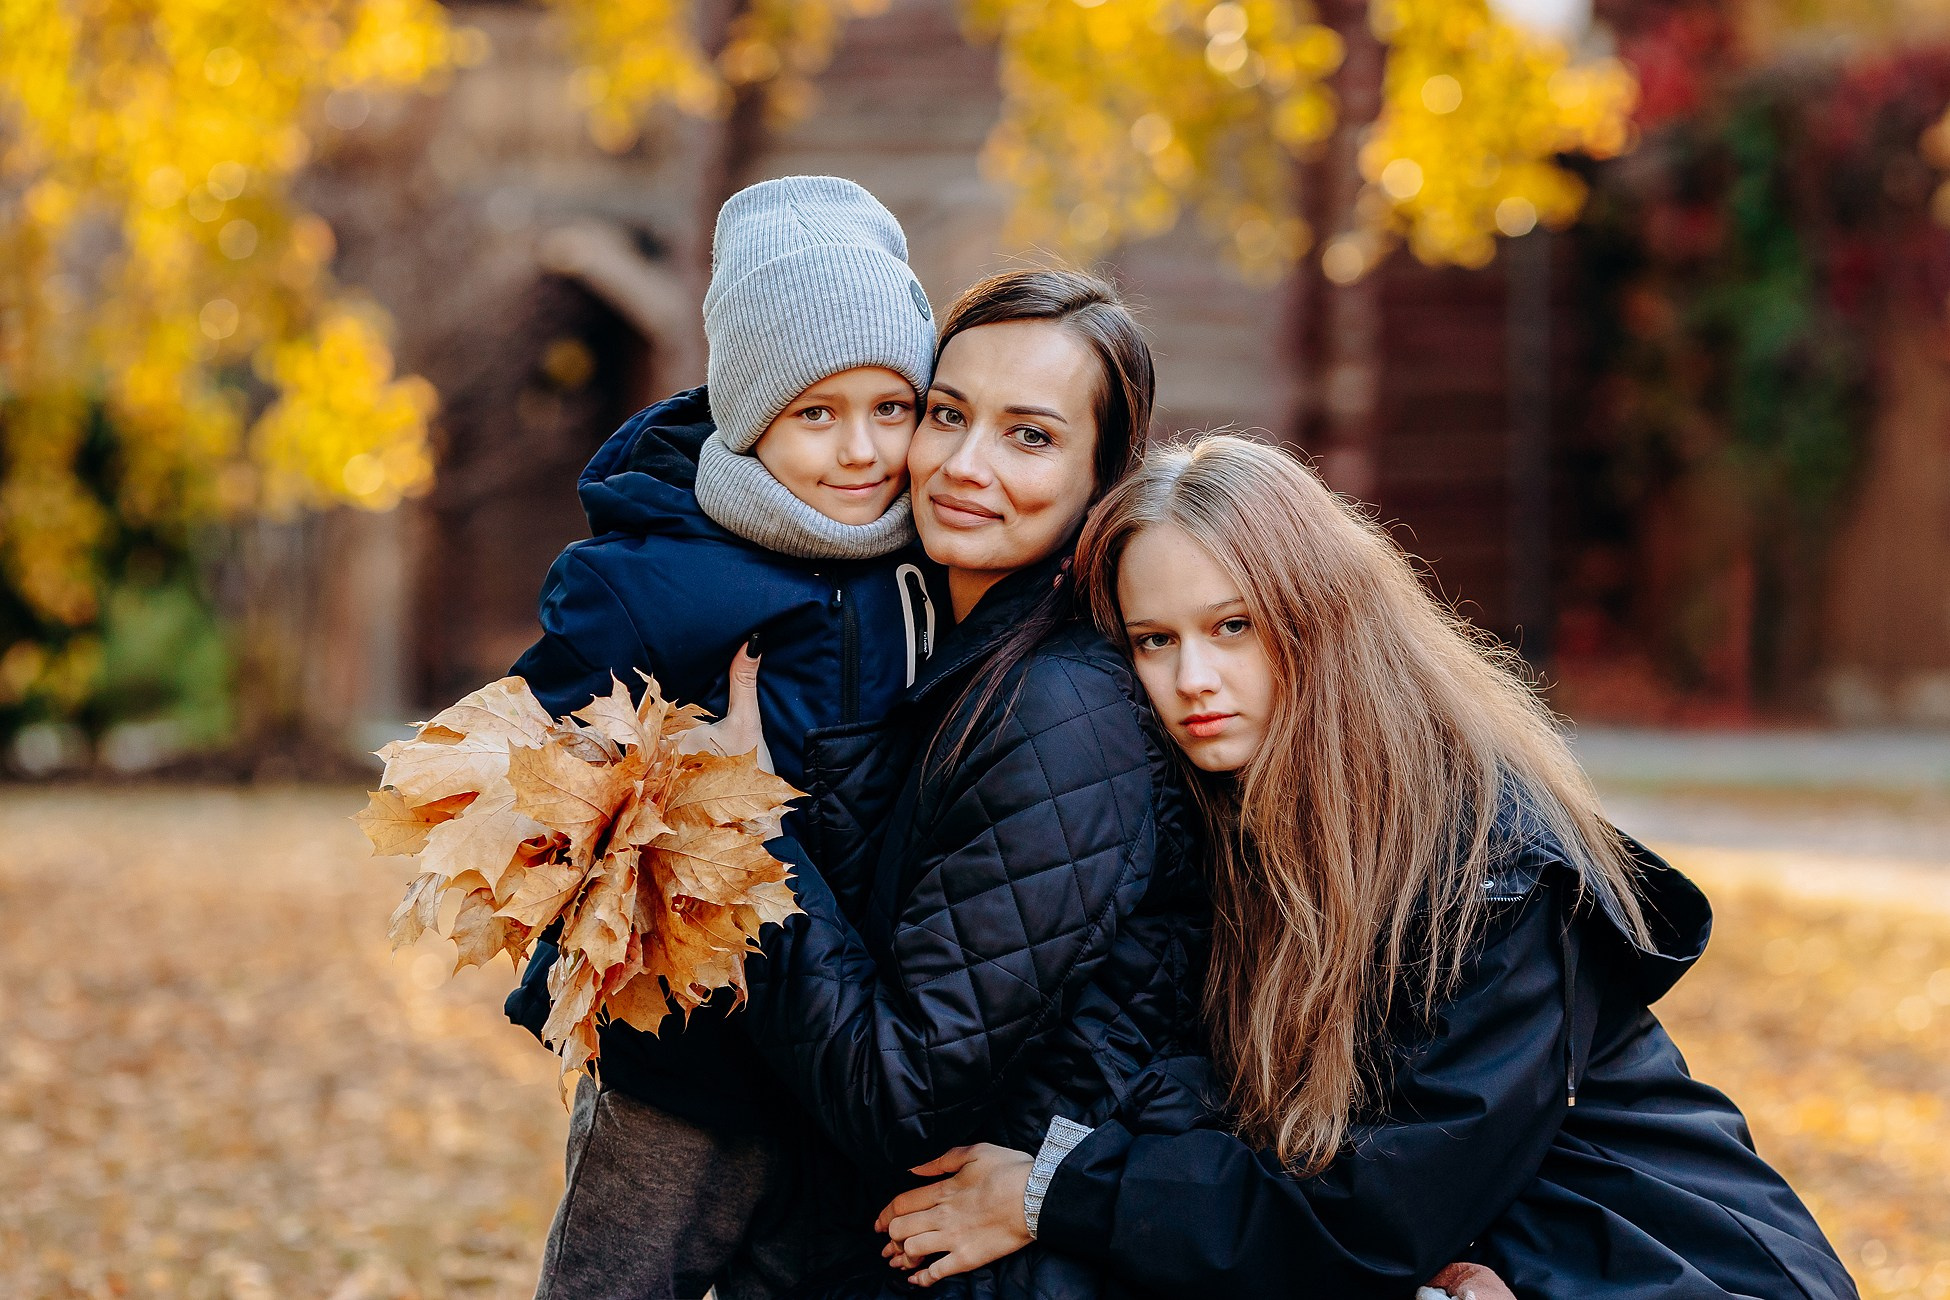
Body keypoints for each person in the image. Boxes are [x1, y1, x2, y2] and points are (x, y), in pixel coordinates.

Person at [873, 434, 1858, 1300]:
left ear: (1318, 618)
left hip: (1679, 1268)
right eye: (1153, 641)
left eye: (1233, 626)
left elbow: (1371, 1214)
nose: (1193, 679)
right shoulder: (1221, 828)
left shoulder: (1487, 865)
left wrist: (1055, 1191)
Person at [502, 175, 946, 1300]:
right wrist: (630, 792)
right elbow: (536, 753)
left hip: (842, 1042)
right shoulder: (658, 575)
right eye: (816, 413)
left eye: (890, 408)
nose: (860, 450)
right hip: (683, 1051)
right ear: (751, 415)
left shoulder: (934, 566)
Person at [730, 268, 1212, 1300]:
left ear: (1103, 474)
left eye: (1030, 435)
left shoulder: (1064, 711)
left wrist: (741, 832)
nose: (963, 464)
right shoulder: (949, 654)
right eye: (947, 414)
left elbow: (903, 1092)